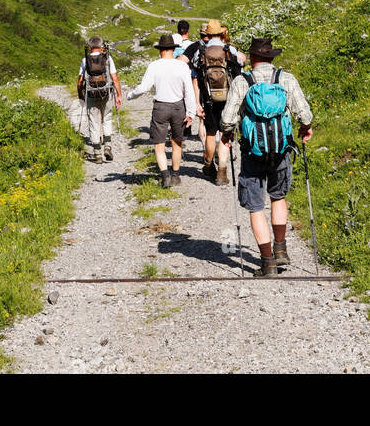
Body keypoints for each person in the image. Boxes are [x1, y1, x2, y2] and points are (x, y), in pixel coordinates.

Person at [220, 37, 312, 277]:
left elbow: (228, 119)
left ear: (252, 58)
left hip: (253, 151)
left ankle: (267, 262)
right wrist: (305, 128)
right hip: (281, 149)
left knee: (255, 206)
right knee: (278, 197)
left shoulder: (243, 81)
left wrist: (227, 134)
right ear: (271, 58)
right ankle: (281, 249)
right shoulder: (285, 79)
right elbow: (304, 113)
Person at [127, 34, 196, 188]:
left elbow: (144, 88)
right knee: (177, 143)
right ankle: (175, 175)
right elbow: (189, 91)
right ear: (173, 49)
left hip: (160, 107)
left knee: (159, 144)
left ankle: (165, 175)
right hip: (179, 107)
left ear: (160, 50)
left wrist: (131, 95)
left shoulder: (154, 65)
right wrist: (191, 113)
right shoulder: (182, 66)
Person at [187, 19, 243, 184]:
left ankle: (209, 164)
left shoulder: (201, 51)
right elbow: (240, 62)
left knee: (211, 133)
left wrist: (197, 102)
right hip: (228, 99)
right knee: (225, 134)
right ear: (220, 33)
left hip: (209, 99)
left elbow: (196, 75)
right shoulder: (228, 48)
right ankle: (222, 172)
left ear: (208, 34)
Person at [77, 36, 122, 163]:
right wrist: (119, 95)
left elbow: (80, 81)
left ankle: (97, 153)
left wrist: (80, 95)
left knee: (93, 122)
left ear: (90, 47)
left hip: (91, 94)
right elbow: (115, 78)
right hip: (106, 93)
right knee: (106, 118)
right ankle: (107, 146)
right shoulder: (107, 58)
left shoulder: (85, 60)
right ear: (102, 46)